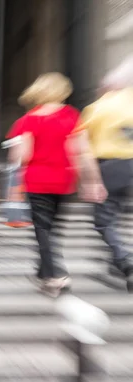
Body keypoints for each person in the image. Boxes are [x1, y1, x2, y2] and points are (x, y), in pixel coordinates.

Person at [11, 73, 105, 297]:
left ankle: (55, 276)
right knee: (53, 228)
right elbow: (82, 152)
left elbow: (24, 155)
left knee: (42, 230)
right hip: (63, 180)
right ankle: (43, 272)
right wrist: (93, 181)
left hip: (36, 180)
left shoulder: (28, 119)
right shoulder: (71, 116)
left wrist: (14, 178)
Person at [77, 57, 133, 292]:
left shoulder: (97, 108)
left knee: (104, 221)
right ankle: (115, 262)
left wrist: (91, 181)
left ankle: (124, 261)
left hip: (110, 166)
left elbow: (83, 149)